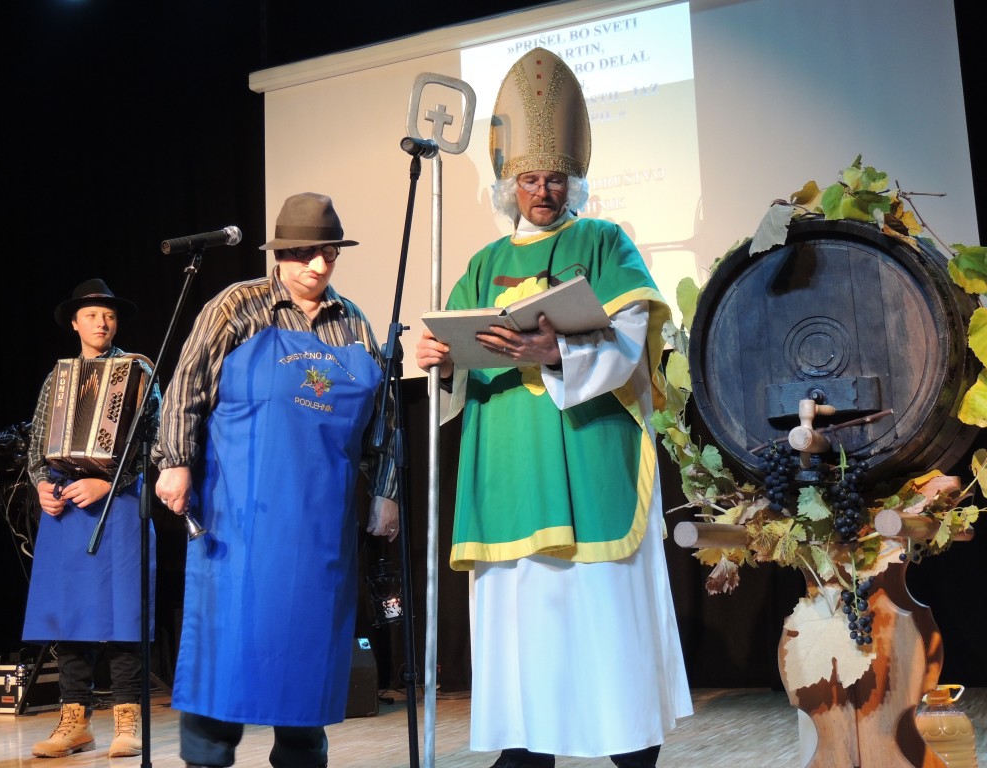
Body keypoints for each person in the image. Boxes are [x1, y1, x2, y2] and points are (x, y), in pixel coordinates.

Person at [414, 48, 693, 768]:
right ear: (510, 182)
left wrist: (556, 352)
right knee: (523, 626)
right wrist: (440, 360)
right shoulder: (483, 263)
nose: (543, 191)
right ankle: (525, 751)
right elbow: (459, 361)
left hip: (588, 461)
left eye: (555, 178)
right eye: (530, 178)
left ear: (574, 179)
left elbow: (631, 341)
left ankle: (629, 751)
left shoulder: (603, 241)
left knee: (603, 624)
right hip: (509, 472)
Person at [152, 192, 399, 768]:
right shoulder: (237, 307)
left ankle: (302, 757)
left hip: (320, 527)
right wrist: (175, 460)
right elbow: (186, 384)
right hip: (238, 518)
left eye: (328, 254)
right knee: (226, 642)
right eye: (306, 253)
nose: (318, 265)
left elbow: (385, 419)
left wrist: (385, 491)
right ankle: (207, 758)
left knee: (308, 647)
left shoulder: (353, 323)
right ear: (280, 254)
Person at [23, 278, 160, 759]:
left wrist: (110, 483)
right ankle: (74, 720)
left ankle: (127, 719)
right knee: (69, 615)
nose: (102, 323)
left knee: (124, 611)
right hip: (66, 504)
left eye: (109, 315)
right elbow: (38, 443)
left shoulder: (138, 370)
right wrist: (41, 483)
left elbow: (155, 443)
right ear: (75, 324)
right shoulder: (57, 378)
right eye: (92, 315)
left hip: (118, 501)